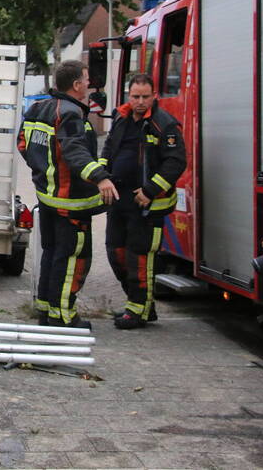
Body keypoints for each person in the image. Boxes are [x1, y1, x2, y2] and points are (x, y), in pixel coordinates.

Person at [17, 60, 117, 330]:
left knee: (52, 254)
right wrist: (101, 177)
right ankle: (62, 316)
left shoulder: (38, 108)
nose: (89, 83)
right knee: (72, 258)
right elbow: (74, 151)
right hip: (71, 203)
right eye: (86, 79)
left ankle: (47, 310)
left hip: (47, 197)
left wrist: (43, 168)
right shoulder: (70, 113)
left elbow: (23, 143)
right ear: (75, 85)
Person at [102, 73, 187, 329]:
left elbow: (176, 162)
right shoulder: (121, 117)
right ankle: (140, 304)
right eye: (136, 96)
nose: (140, 102)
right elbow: (108, 149)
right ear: (129, 95)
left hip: (146, 206)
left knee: (139, 257)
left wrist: (149, 191)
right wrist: (102, 175)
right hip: (118, 200)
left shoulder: (165, 124)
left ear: (154, 96)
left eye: (145, 97)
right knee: (115, 253)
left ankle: (138, 310)